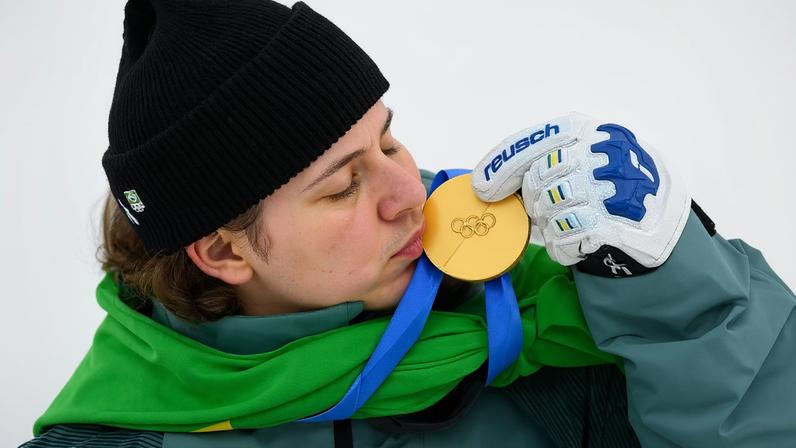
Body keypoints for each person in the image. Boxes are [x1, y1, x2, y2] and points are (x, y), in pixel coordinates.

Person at [20, 0, 796, 447]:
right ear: (223, 251)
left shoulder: (551, 336)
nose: (409, 192)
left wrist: (677, 290)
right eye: (342, 187)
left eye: (388, 138)